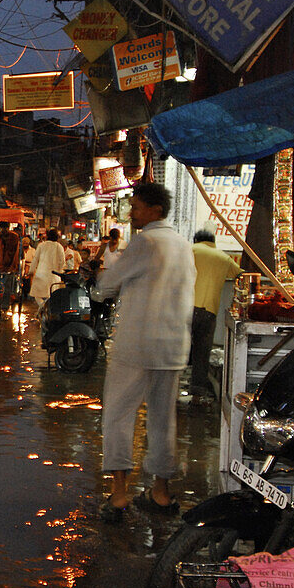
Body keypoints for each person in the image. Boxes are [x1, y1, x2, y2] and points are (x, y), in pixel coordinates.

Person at [93, 183, 195, 522]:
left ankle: (120, 494)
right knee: (164, 421)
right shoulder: (182, 245)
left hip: (137, 345)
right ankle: (161, 493)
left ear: (154, 210)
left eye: (136, 207)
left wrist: (99, 287)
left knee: (118, 416)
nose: (133, 214)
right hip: (173, 346)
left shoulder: (145, 242)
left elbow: (108, 285)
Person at [189, 229, 242, 399]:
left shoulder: (190, 251)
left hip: (185, 307)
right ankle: (197, 389)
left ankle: (169, 386)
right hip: (209, 310)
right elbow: (241, 275)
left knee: (176, 348)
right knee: (202, 351)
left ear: (196, 239)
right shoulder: (223, 257)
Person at [30, 228, 66, 308]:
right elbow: (62, 262)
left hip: (41, 274)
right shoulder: (59, 247)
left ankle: (43, 307)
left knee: (37, 295)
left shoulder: (41, 245)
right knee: (52, 295)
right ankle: (46, 308)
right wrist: (59, 272)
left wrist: (31, 271)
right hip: (54, 275)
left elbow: (35, 259)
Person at [20, 235, 37, 301]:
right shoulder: (21, 251)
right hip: (22, 267)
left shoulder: (33, 250)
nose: (25, 245)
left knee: (31, 279)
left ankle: (31, 293)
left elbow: (35, 260)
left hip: (31, 267)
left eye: (26, 243)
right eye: (24, 243)